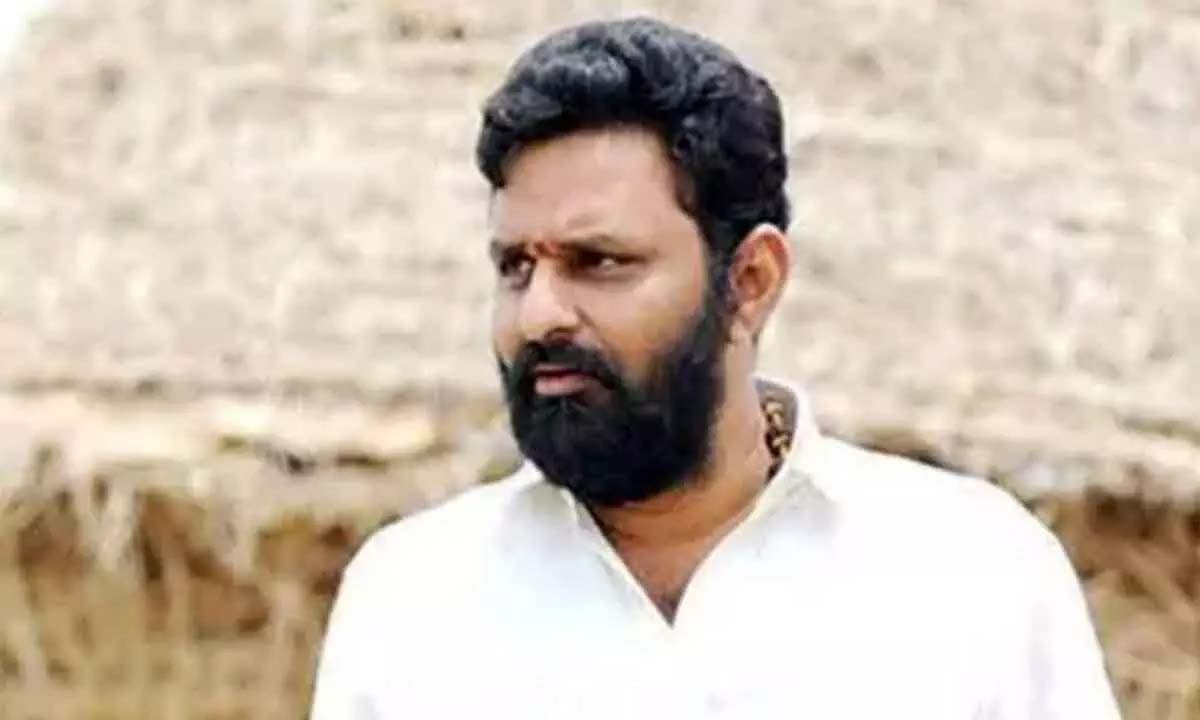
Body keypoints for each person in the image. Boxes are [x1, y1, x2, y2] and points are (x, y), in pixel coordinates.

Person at [311, 17, 1121, 719]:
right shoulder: (413, 599)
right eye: (516, 267)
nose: (539, 314)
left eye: (599, 262)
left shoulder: (972, 574)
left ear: (752, 281)